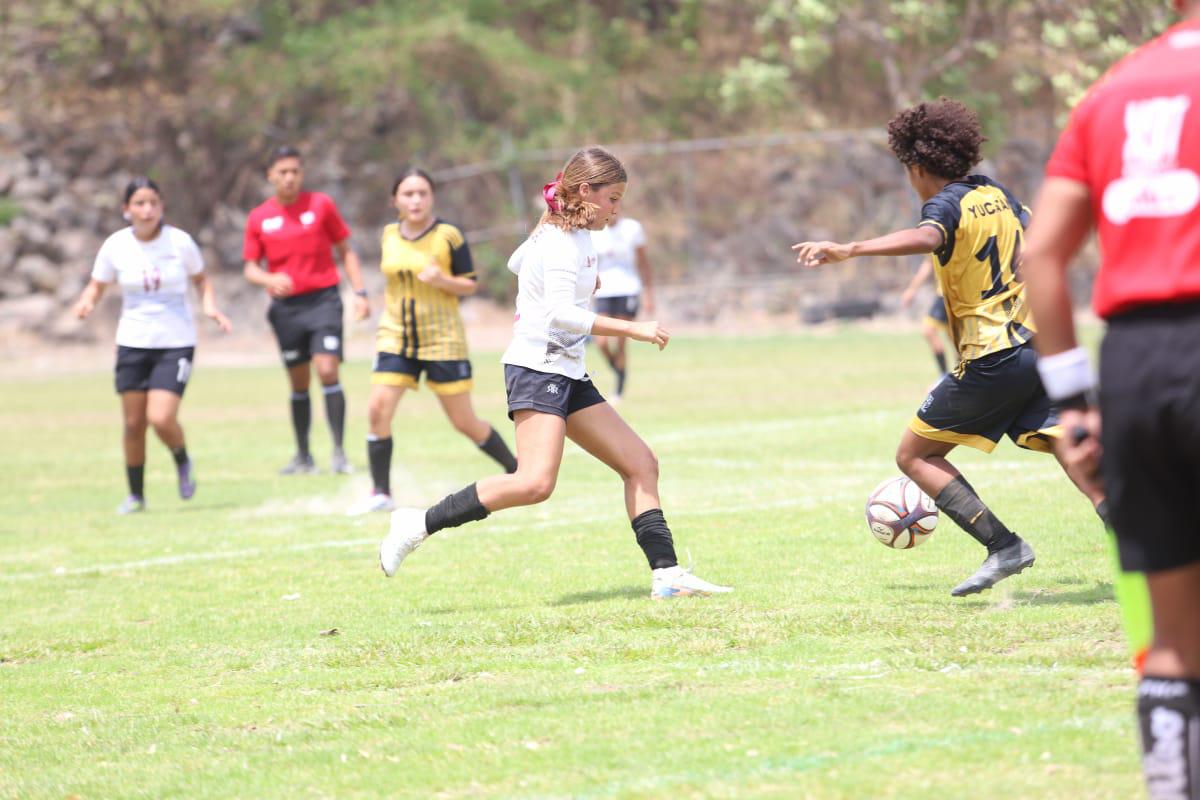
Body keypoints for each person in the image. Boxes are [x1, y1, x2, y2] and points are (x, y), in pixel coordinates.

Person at [378, 146, 731, 599]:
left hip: (568, 371)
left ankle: (667, 575)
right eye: (613, 198)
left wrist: (569, 273)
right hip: (535, 369)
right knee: (534, 483)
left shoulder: (568, 233)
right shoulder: (561, 239)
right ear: (586, 191)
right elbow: (562, 314)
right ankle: (416, 523)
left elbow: (515, 264)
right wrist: (633, 328)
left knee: (641, 464)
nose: (618, 208)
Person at [792, 98, 1107, 597]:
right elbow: (1038, 233)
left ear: (918, 167)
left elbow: (927, 236)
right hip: (1036, 344)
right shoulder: (997, 194)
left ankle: (1004, 546)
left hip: (993, 353)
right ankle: (1132, 536)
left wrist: (851, 248)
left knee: (914, 454)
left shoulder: (943, 204)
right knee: (1065, 441)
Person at [1021, 2, 1200, 795]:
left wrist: (1076, 401)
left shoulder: (1110, 92)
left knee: (1170, 641)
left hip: (1133, 364)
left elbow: (1044, 256)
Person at [348, 168, 517, 516]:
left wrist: (443, 279)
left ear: (432, 197)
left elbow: (470, 285)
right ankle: (381, 492)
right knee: (377, 410)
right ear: (395, 199)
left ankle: (517, 471)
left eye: (422, 193)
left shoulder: (449, 235)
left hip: (442, 339)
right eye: (408, 194)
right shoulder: (388, 235)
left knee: (464, 422)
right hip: (396, 336)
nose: (416, 200)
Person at [72, 177, 232, 514]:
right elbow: (97, 284)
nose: (147, 210)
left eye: (153, 203)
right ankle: (136, 495)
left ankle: (181, 457)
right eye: (140, 203)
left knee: (160, 418)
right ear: (126, 209)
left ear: (161, 206)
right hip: (133, 341)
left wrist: (210, 307)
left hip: (175, 342)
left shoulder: (180, 243)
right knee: (133, 424)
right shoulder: (116, 245)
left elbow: (201, 280)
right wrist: (87, 302)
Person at [242, 146, 369, 475]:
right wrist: (270, 278)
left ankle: (339, 453)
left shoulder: (321, 205)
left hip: (323, 301)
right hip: (286, 310)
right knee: (298, 382)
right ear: (270, 175)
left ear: (302, 174)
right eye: (282, 172)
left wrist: (360, 291)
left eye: (294, 171)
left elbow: (346, 250)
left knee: (327, 370)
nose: (289, 178)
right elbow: (251, 269)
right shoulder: (260, 217)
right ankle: (303, 456)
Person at [591, 211, 655, 401]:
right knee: (601, 342)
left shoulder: (632, 228)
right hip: (603, 290)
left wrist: (649, 293)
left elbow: (643, 262)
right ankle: (619, 372)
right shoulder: (595, 231)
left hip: (628, 288)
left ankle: (618, 388)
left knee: (620, 340)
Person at [899, 257, 955, 376]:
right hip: (946, 294)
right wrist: (912, 289)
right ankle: (947, 376)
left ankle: (947, 377)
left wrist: (911, 290)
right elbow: (928, 263)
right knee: (954, 339)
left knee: (931, 331)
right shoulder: (937, 240)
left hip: (951, 293)